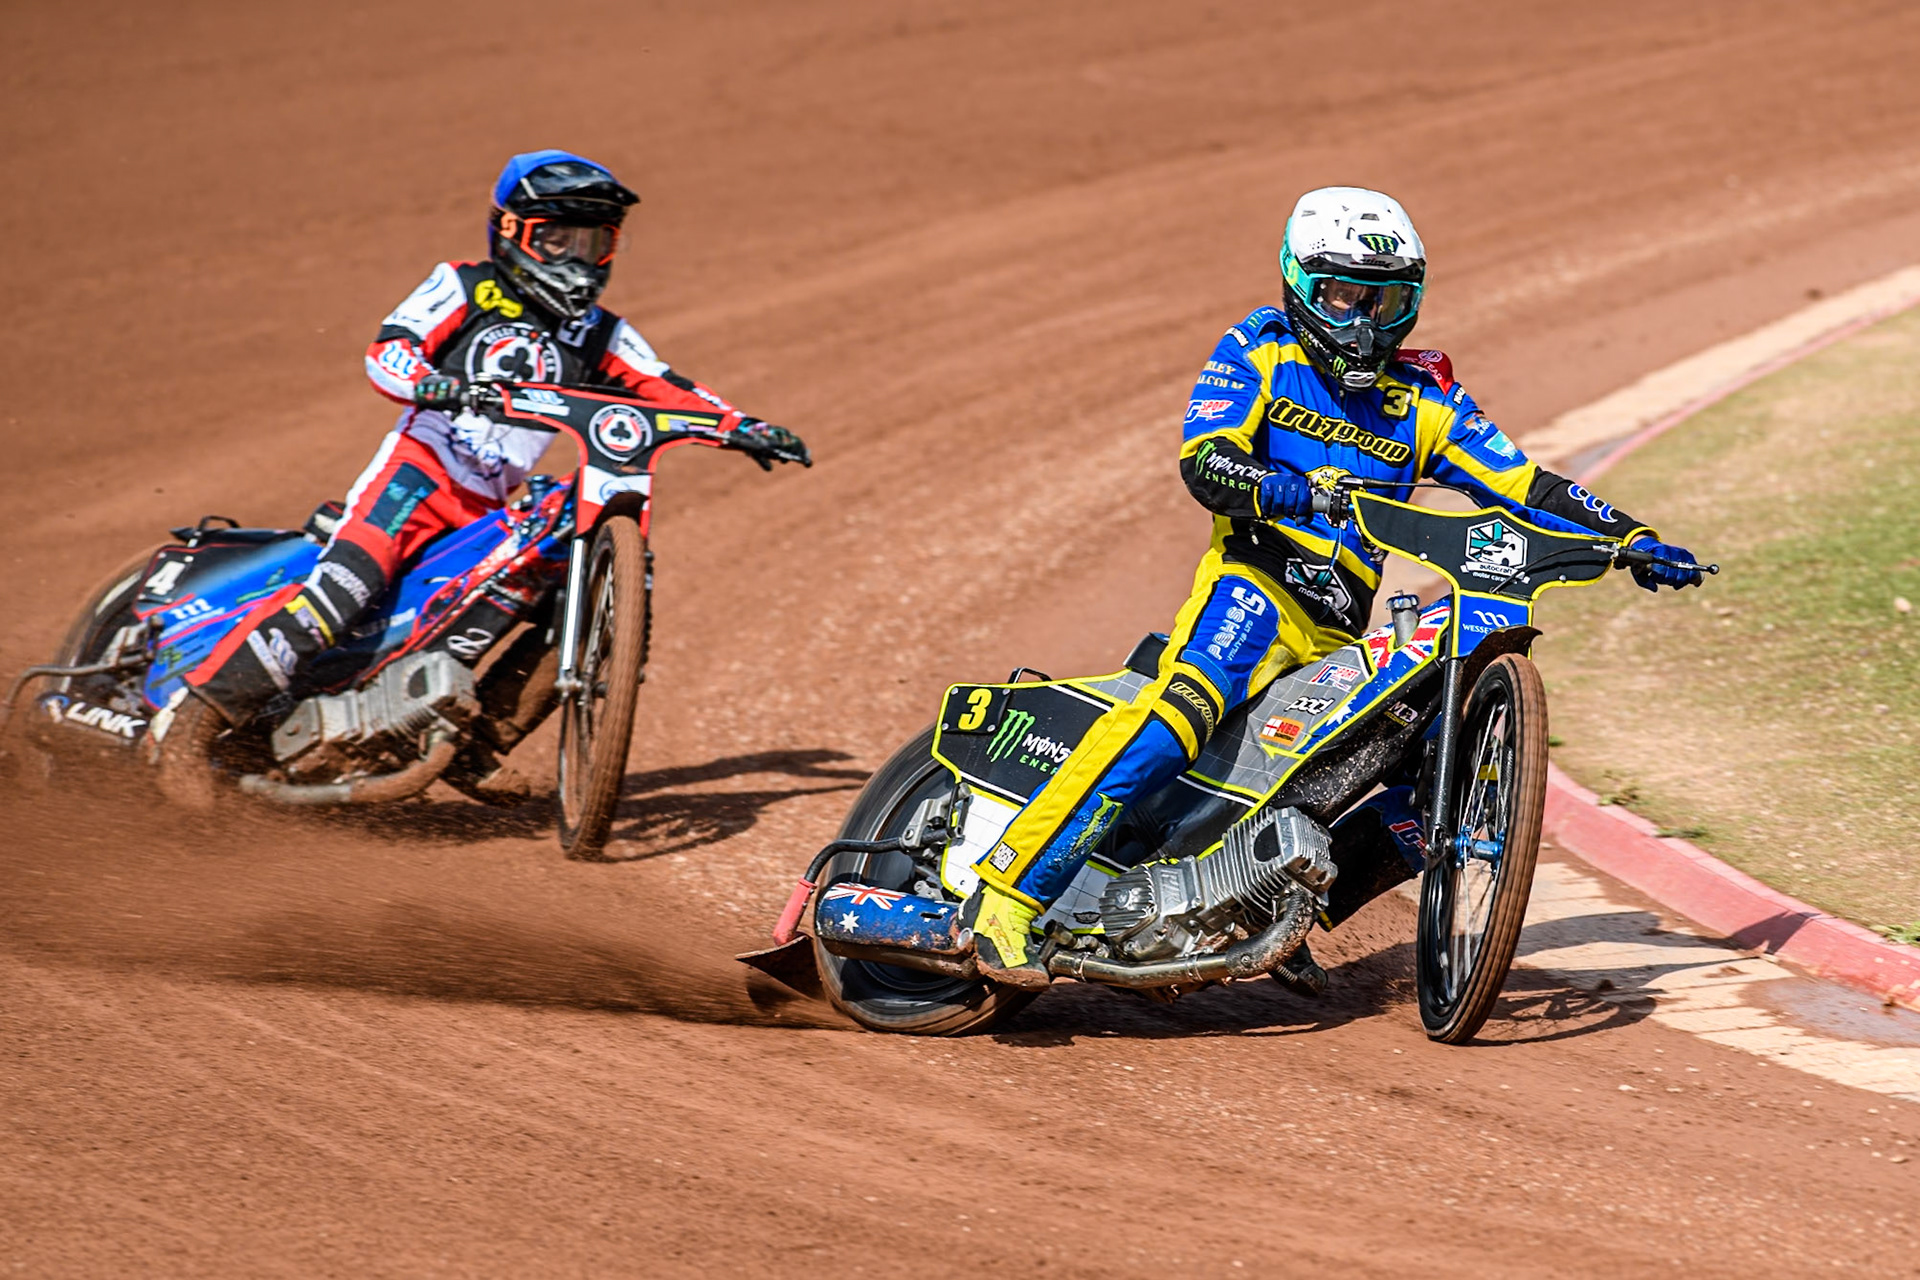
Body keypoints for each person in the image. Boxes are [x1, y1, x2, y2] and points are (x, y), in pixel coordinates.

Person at [962, 186, 1702, 990]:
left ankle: (1275, 904)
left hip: (1342, 633)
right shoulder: (1258, 348)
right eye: (1344, 295)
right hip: (1254, 587)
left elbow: (1525, 481)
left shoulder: (1424, 396)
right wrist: (1296, 491)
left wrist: (1630, 535)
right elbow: (1206, 462)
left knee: (1424, 771)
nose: (1363, 321)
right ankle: (1010, 893)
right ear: (1299, 283)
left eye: (1386, 302)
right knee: (1183, 709)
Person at [176, 149, 807, 750]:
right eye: (556, 240)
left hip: (490, 510)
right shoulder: (464, 287)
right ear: (510, 231)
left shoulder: (600, 333)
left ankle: (479, 746)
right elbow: (390, 349)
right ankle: (196, 725)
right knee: (346, 587)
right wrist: (430, 383)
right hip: (416, 480)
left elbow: (661, 385)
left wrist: (740, 425)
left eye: (593, 243)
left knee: (564, 595)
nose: (576, 260)